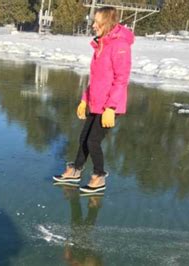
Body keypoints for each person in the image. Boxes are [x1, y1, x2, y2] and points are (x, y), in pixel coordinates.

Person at [53, 7, 134, 193]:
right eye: (93, 21)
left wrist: (111, 108)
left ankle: (99, 176)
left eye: (98, 22)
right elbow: (96, 79)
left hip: (110, 106)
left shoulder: (120, 46)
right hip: (97, 102)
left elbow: (121, 79)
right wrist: (84, 100)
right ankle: (76, 171)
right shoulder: (101, 45)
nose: (93, 25)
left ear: (108, 23)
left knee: (93, 141)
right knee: (84, 138)